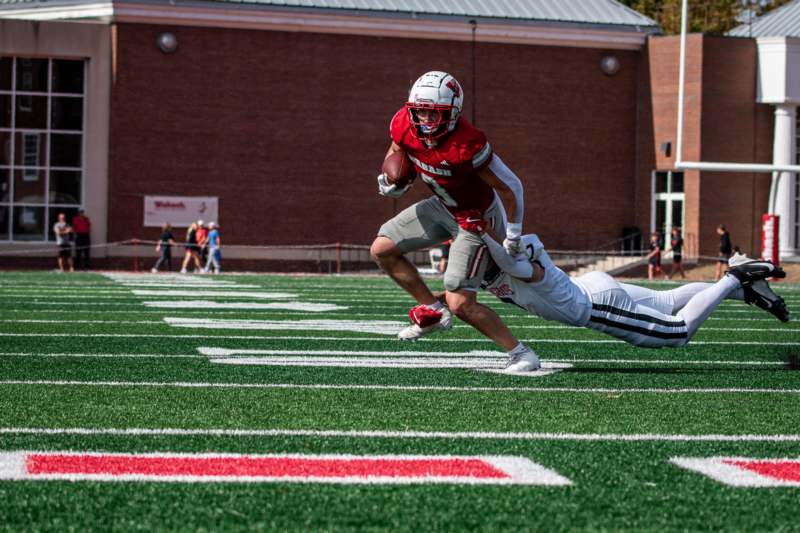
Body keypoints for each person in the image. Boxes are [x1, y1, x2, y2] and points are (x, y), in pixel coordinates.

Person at [370, 70, 537, 372]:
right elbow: (397, 149)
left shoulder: (466, 144)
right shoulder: (403, 124)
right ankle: (433, 310)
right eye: (420, 112)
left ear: (454, 112)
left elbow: (511, 186)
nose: (425, 120)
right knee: (382, 248)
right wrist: (392, 178)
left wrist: (513, 232)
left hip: (474, 218)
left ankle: (521, 353)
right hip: (442, 206)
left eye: (435, 114)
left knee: (461, 303)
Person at [462, 227, 789, 357]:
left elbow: (515, 261)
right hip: (591, 285)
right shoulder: (484, 273)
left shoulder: (513, 266)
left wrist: (485, 231)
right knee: (667, 300)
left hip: (594, 304)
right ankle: (749, 292)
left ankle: (735, 277)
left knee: (678, 332)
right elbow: (458, 292)